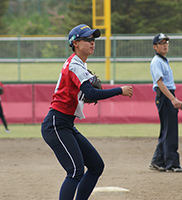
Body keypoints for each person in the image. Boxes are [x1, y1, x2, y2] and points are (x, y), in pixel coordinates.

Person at [41, 24, 133, 200]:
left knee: (96, 166)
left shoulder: (80, 64)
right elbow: (90, 93)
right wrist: (119, 90)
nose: (93, 42)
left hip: (66, 124)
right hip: (56, 124)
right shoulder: (74, 65)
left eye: (93, 39)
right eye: (88, 39)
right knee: (75, 171)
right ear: (75, 43)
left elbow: (85, 92)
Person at [148, 33, 182, 173]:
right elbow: (159, 83)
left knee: (167, 130)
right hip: (165, 96)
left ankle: (158, 161)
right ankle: (172, 164)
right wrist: (173, 99)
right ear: (155, 46)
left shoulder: (163, 60)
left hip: (166, 96)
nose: (165, 45)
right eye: (161, 43)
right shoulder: (157, 61)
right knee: (170, 131)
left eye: (166, 42)